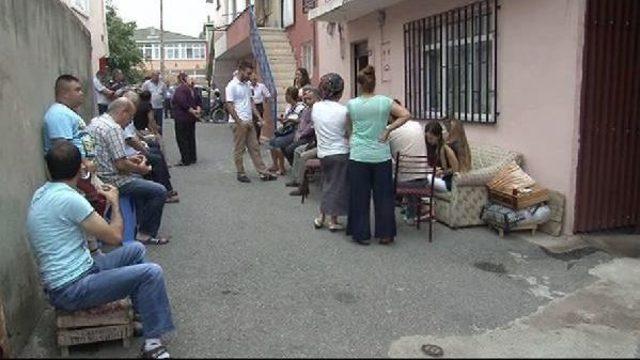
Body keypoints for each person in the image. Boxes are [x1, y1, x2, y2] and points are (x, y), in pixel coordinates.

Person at [26, 141, 174, 359]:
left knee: (135, 249)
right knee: (151, 273)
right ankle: (152, 345)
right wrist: (114, 202)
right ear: (80, 168)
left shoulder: (43, 193)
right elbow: (114, 237)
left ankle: (143, 315)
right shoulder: (70, 200)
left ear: (49, 170)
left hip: (79, 272)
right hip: (72, 288)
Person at [87, 97, 170, 245]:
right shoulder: (113, 128)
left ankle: (136, 222)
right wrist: (141, 168)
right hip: (113, 180)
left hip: (99, 175)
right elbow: (120, 165)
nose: (129, 123)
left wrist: (132, 161)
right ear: (123, 112)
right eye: (130, 117)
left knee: (143, 182)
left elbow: (110, 158)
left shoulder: (96, 122)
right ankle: (145, 233)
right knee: (158, 191)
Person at [346, 66, 412, 245]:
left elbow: (349, 128)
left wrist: (353, 137)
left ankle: (361, 234)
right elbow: (406, 114)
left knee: (360, 196)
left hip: (359, 154)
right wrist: (388, 129)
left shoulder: (351, 104)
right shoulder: (385, 101)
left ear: (359, 85)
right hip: (380, 155)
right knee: (383, 196)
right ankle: (386, 234)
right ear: (374, 84)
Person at [44, 74, 105, 255]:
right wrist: (84, 163)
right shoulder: (58, 114)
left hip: (83, 172)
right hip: (73, 174)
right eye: (77, 90)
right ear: (64, 93)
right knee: (86, 209)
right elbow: (63, 148)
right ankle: (91, 253)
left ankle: (94, 250)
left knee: (95, 203)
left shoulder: (68, 113)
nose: (82, 93)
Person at [225, 61, 277, 183]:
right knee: (239, 149)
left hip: (249, 121)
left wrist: (259, 118)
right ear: (241, 70)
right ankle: (241, 172)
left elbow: (251, 103)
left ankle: (263, 172)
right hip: (238, 122)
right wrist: (239, 122)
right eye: (248, 73)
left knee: (255, 147)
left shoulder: (247, 85)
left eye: (251, 73)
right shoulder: (231, 86)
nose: (249, 76)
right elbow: (229, 105)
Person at [124, 91, 179, 203]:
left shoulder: (128, 115)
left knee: (156, 149)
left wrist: (144, 139)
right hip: (130, 152)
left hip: (134, 147)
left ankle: (166, 185)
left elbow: (133, 132)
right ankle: (165, 192)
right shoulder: (123, 117)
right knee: (155, 157)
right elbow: (130, 139)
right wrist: (145, 150)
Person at [312, 73, 350, 232]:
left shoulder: (316, 107)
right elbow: (348, 132)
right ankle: (332, 220)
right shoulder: (344, 110)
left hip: (323, 152)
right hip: (340, 152)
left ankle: (321, 217)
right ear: (340, 92)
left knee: (327, 184)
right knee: (337, 187)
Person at [387, 100, 433, 224]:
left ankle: (388, 216)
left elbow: (389, 157)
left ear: (391, 117)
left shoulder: (390, 132)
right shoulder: (417, 125)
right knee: (411, 175)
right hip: (423, 180)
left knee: (389, 177)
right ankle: (411, 213)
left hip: (403, 183)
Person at [285, 86, 320, 196]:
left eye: (309, 99)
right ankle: (296, 179)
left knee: (298, 152)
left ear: (316, 99)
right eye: (305, 98)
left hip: (311, 139)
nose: (306, 101)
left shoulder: (317, 110)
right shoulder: (306, 109)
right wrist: (298, 133)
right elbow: (301, 122)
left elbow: (311, 127)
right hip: (303, 136)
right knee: (294, 150)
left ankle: (301, 184)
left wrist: (301, 134)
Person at [268, 86, 306, 176]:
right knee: (272, 140)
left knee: (278, 142)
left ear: (290, 96)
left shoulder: (300, 107)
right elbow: (286, 120)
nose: (285, 97)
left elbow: (301, 121)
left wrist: (290, 120)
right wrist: (283, 120)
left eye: (286, 95)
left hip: (296, 130)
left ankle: (282, 168)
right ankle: (275, 164)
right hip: (288, 129)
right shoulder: (288, 107)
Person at [172, 72, 200, 166]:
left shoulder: (180, 89)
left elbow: (182, 102)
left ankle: (185, 159)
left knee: (182, 138)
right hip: (191, 118)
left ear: (180, 79)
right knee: (190, 137)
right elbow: (198, 101)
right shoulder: (192, 90)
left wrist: (192, 111)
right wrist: (197, 110)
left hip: (182, 117)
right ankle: (192, 157)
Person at [425, 121, 461, 192]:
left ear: (438, 136)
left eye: (431, 138)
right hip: (437, 178)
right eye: (427, 138)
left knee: (425, 179)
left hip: (448, 182)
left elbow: (456, 169)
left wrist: (442, 172)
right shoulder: (429, 147)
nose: (429, 141)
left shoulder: (446, 148)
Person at [250, 74, 271, 140]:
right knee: (252, 123)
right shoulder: (248, 86)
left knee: (258, 124)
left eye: (255, 79)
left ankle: (257, 138)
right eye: (253, 79)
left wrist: (265, 101)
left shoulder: (261, 86)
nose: (254, 81)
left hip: (259, 105)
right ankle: (252, 138)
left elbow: (267, 95)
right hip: (250, 105)